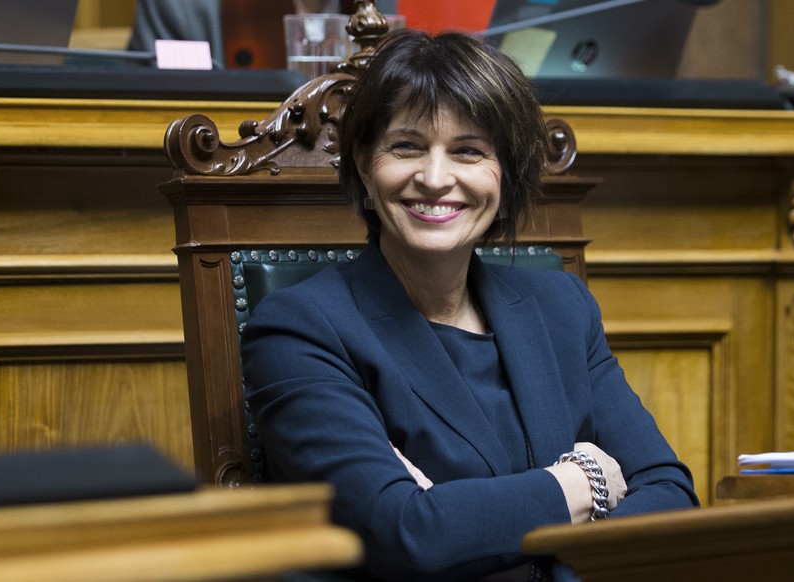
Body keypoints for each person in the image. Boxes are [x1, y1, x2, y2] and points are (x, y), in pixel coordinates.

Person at [241, 29, 699, 581]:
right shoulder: (301, 330)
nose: (435, 179)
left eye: (469, 151)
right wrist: (581, 483)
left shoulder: (562, 308)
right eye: (406, 146)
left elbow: (669, 494)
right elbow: (407, 533)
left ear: (504, 176)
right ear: (365, 166)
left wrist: (470, 519)